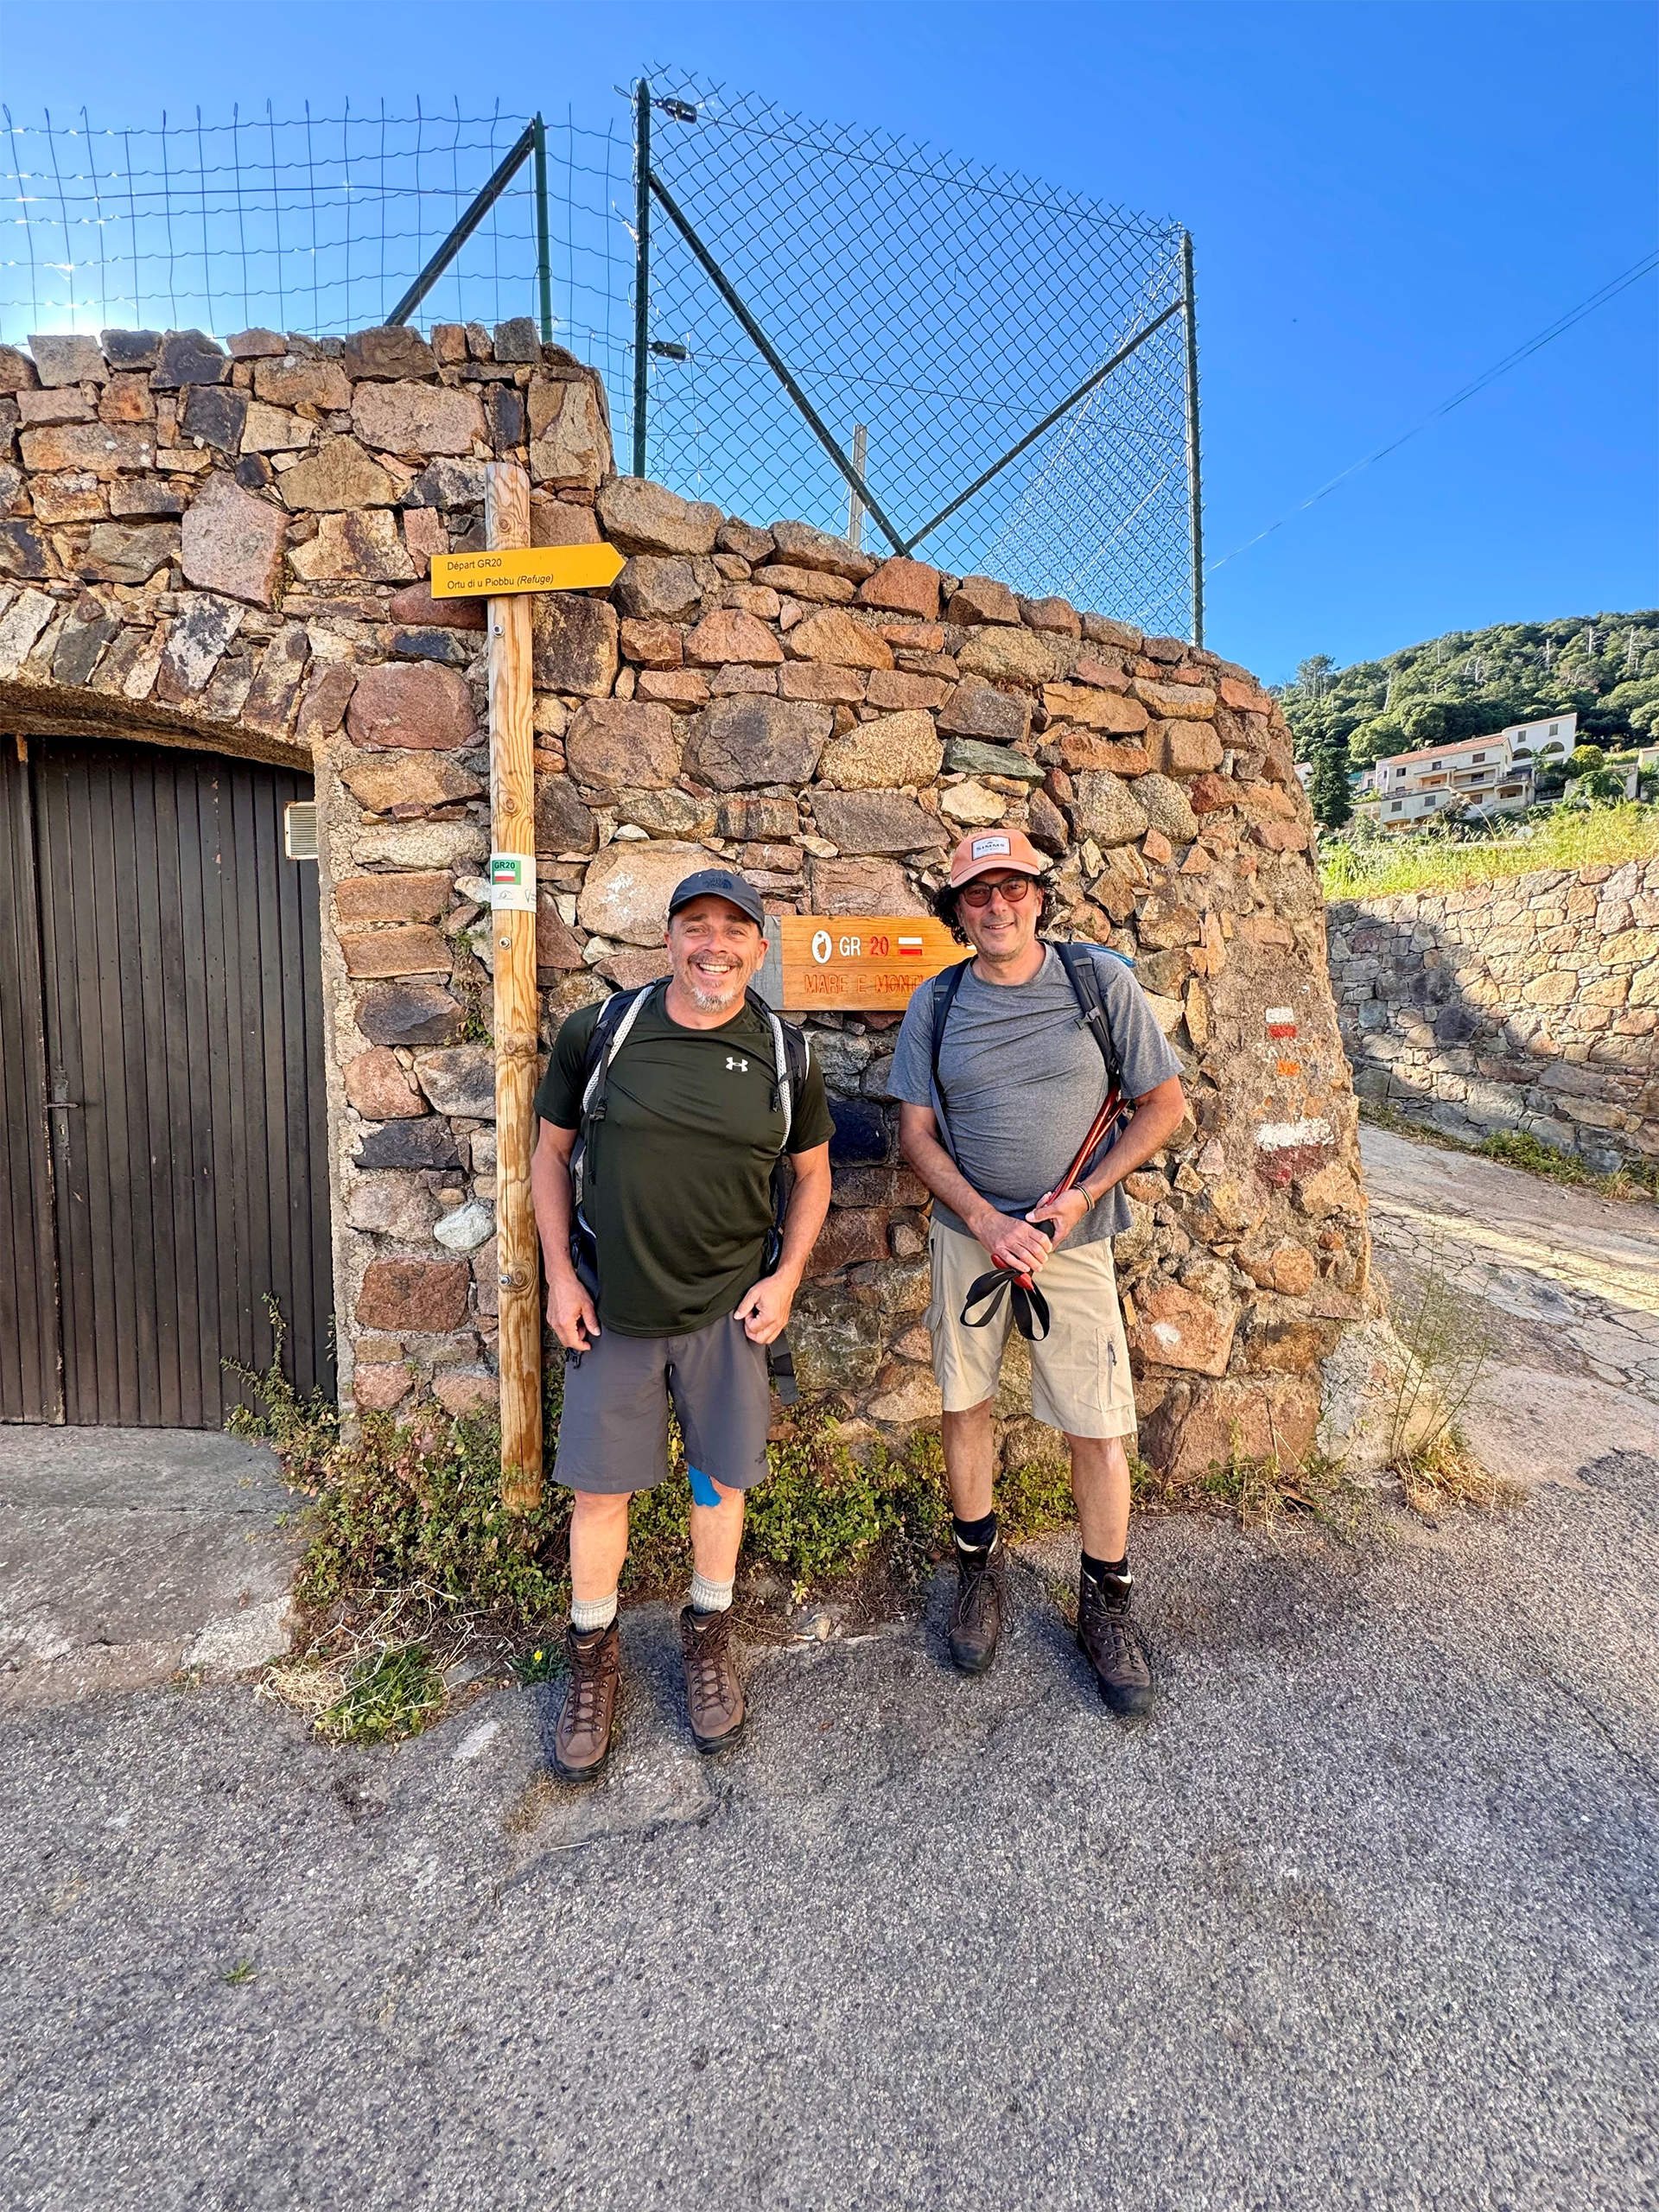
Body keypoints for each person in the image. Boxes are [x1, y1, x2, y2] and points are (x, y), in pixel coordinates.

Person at [530, 868, 833, 1781]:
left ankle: (707, 1641)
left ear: (760, 950)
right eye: (697, 927)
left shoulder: (786, 1055)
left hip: (729, 1317)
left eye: (735, 931)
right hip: (613, 1309)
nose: (715, 945)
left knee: (717, 1484)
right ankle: (594, 1662)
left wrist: (785, 1280)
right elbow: (550, 1157)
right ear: (668, 941)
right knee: (599, 1495)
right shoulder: (604, 1033)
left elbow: (812, 1176)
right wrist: (557, 1279)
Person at [892, 830, 1187, 1715]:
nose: (997, 906)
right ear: (957, 913)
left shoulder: (1099, 984)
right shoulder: (935, 1003)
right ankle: (978, 1573)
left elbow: (1162, 1105)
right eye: (978, 895)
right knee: (964, 1403)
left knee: (1096, 1426)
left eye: (1013, 888)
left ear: (1039, 898)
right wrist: (985, 1219)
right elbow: (915, 1135)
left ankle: (1108, 1601)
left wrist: (1075, 1200)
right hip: (966, 1239)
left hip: (1077, 1239)